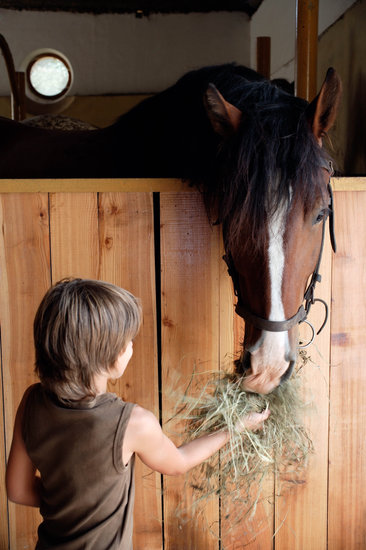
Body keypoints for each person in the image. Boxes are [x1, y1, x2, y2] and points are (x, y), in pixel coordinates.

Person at [6, 278, 270, 549]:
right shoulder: (131, 423)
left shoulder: (31, 402)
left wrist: (65, 504)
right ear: (106, 357)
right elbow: (178, 462)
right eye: (126, 341)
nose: (130, 346)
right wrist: (235, 427)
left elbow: (17, 490)